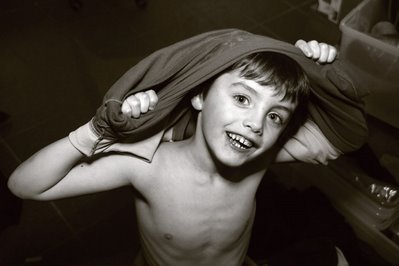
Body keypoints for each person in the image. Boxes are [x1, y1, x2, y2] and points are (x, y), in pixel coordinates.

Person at [8, 30, 366, 266]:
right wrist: (95, 132)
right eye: (242, 98)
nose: (256, 124)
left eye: (275, 116)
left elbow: (343, 137)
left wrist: (322, 71)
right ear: (198, 95)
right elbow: (25, 185)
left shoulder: (260, 157)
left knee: (333, 256)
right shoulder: (147, 163)